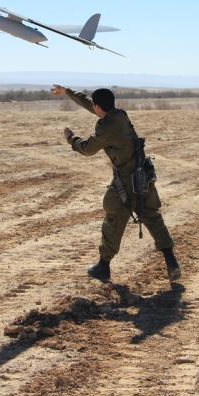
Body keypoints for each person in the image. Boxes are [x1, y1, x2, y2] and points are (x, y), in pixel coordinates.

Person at [51, 84, 181, 283]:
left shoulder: (106, 126)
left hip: (126, 180)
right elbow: (91, 105)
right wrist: (68, 92)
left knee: (113, 217)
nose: (93, 108)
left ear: (99, 107)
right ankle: (172, 262)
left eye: (95, 106)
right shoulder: (119, 114)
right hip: (142, 175)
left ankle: (103, 266)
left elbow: (88, 149)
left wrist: (71, 139)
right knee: (152, 217)